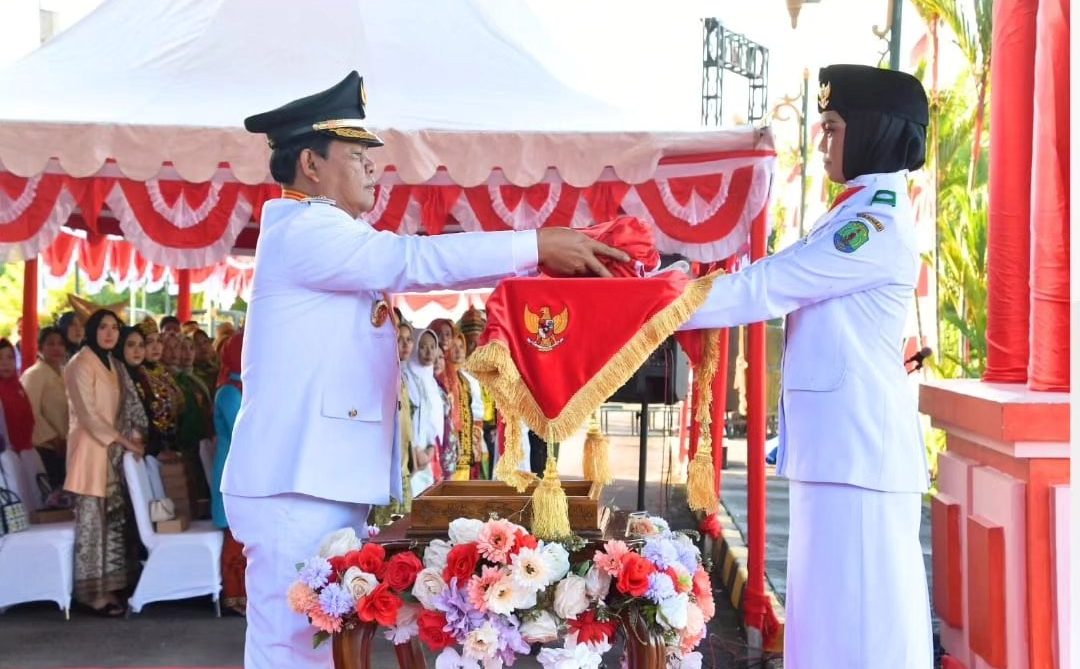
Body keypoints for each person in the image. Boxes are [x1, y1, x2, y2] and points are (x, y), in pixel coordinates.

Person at [222, 71, 625, 668]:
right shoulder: (306, 231)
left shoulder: (332, 234)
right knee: (290, 650)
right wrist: (533, 245)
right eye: (357, 155)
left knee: (316, 648)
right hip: (295, 483)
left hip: (315, 479)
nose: (372, 168)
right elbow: (416, 259)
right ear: (311, 162)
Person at [681, 64, 933, 668]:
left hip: (859, 458)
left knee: (864, 635)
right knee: (827, 631)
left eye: (835, 127)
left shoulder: (873, 225)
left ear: (873, 131)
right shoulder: (854, 213)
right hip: (841, 455)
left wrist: (657, 304)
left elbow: (769, 286)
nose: (822, 142)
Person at [63, 309, 143, 617]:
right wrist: (125, 442)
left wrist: (134, 435)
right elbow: (89, 415)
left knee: (110, 526)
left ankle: (109, 587)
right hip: (89, 452)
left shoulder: (113, 364)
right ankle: (91, 596)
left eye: (114, 328)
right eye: (103, 327)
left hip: (110, 453)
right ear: (91, 330)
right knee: (92, 527)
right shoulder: (79, 363)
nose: (109, 333)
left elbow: (125, 407)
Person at [212, 331, 247, 615]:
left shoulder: (241, 387)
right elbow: (244, 433)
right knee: (235, 536)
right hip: (231, 471)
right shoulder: (229, 392)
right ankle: (234, 595)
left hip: (241, 469)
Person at [21, 326, 70, 488]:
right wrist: (53, 438)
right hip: (46, 448)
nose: (56, 348)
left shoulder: (66, 373)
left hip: (67, 446)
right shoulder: (34, 374)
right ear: (41, 347)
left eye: (61, 344)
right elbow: (30, 411)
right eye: (51, 343)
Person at [173, 335, 214, 503]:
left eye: (191, 348)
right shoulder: (175, 380)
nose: (187, 353)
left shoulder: (197, 378)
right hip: (187, 443)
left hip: (203, 440)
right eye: (182, 348)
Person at [136, 319, 184, 460]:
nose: (156, 347)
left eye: (158, 341)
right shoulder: (138, 375)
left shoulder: (162, 371)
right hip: (151, 448)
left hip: (172, 444)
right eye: (149, 342)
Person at [403, 329, 443, 495]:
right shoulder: (405, 375)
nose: (428, 352)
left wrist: (430, 449)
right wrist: (416, 449)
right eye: (423, 347)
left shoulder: (432, 382)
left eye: (433, 347)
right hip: (411, 452)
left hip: (428, 452)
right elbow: (407, 416)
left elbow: (433, 418)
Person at [112, 327, 151, 471]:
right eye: (130, 345)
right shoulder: (116, 376)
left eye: (141, 345)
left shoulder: (145, 376)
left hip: (145, 450)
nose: (137, 350)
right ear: (120, 346)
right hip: (123, 451)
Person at [0, 339, 34, 456]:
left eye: (10, 357)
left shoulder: (19, 389)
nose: (5, 363)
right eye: (0, 358)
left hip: (24, 452)